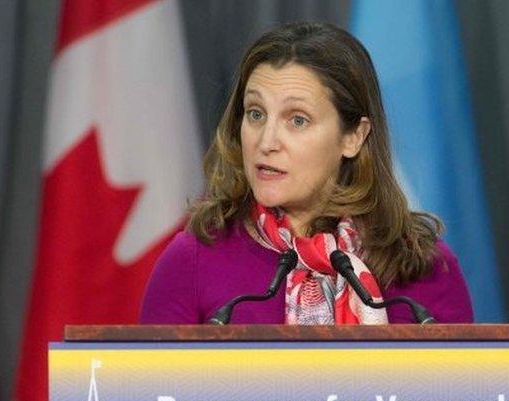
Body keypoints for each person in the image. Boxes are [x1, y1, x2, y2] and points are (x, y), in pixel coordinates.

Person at [140, 21, 473, 325]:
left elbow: (461, 390)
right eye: (255, 114)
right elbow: (151, 390)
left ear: (353, 137)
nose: (266, 142)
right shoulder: (193, 261)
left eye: (297, 120)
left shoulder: (425, 267)